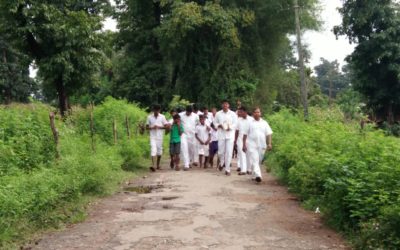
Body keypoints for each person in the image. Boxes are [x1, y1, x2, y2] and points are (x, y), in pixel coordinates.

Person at [242, 107, 273, 183]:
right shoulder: (249, 123)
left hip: (262, 145)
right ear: (253, 114)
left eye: (258, 112)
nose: (257, 113)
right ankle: (258, 176)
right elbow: (245, 135)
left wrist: (269, 143)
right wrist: (244, 145)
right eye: (255, 112)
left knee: (258, 160)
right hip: (251, 144)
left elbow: (269, 134)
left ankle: (254, 175)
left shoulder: (264, 123)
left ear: (260, 113)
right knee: (255, 159)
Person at [214, 100, 238, 175]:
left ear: (228, 105)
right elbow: (215, 122)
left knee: (229, 152)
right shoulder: (218, 114)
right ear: (222, 105)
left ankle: (227, 169)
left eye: (226, 104)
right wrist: (219, 125)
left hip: (230, 135)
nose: (225, 106)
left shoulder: (233, 114)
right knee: (221, 152)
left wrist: (229, 127)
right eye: (223, 104)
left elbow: (235, 124)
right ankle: (222, 163)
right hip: (221, 134)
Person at [146, 104, 169, 172]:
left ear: (159, 110)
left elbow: (166, 126)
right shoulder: (149, 117)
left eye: (157, 110)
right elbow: (146, 127)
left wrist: (159, 127)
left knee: (159, 151)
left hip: (160, 137)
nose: (156, 112)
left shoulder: (162, 117)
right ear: (153, 110)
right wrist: (152, 127)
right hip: (152, 136)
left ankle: (158, 165)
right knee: (153, 149)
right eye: (155, 110)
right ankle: (153, 165)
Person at [179, 105, 199, 170]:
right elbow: (174, 120)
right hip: (184, 134)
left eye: (190, 112)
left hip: (192, 135)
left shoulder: (195, 116)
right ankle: (186, 165)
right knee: (184, 148)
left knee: (191, 149)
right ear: (186, 110)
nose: (188, 113)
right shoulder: (181, 115)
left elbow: (198, 124)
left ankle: (189, 161)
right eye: (187, 112)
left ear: (192, 111)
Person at [234, 106, 253, 176]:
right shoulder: (238, 120)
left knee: (248, 154)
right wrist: (235, 140)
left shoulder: (251, 119)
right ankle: (243, 170)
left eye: (241, 112)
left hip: (249, 139)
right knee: (242, 154)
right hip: (240, 139)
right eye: (239, 112)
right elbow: (237, 131)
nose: (240, 113)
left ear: (245, 112)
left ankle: (249, 169)